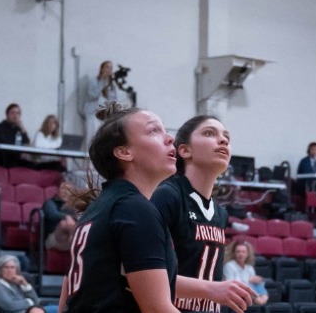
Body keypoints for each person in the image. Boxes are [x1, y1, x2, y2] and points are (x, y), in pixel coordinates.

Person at [58, 104, 250, 313]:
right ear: (124, 151)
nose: (170, 138)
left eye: (166, 131)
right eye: (154, 131)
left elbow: (65, 300)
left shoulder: (100, 207)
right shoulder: (135, 208)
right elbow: (157, 308)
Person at [152, 115, 252, 313]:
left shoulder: (220, 213)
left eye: (226, 138)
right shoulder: (167, 195)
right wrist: (211, 289)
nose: (223, 140)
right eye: (209, 133)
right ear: (185, 150)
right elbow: (145, 276)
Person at [81, 61, 126, 141]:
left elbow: (115, 98)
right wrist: (102, 88)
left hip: (104, 115)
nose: (109, 69)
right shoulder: (94, 81)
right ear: (102, 68)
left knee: (102, 138)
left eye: (111, 68)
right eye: (107, 67)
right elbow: (92, 95)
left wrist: (112, 82)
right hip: (92, 114)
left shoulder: (112, 84)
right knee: (91, 137)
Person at [223, 241, 268, 306]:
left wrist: (259, 280)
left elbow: (254, 285)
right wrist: (248, 281)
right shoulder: (229, 266)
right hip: (236, 294)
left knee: (259, 283)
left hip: (250, 293)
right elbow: (231, 285)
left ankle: (262, 298)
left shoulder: (249, 267)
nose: (241, 254)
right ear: (234, 253)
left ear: (247, 254)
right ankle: (260, 301)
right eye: (238, 252)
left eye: (243, 252)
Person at [42, 182, 78, 251]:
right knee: (63, 224)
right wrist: (67, 217)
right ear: (57, 191)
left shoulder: (73, 206)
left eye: (68, 190)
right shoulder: (49, 203)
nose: (65, 192)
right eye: (63, 189)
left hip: (69, 238)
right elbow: (52, 214)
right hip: (52, 239)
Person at [0, 103, 31, 167]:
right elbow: (5, 145)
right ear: (7, 114)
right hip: (3, 162)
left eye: (18, 113)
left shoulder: (19, 129)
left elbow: (27, 144)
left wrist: (22, 128)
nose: (15, 116)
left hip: (17, 162)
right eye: (12, 113)